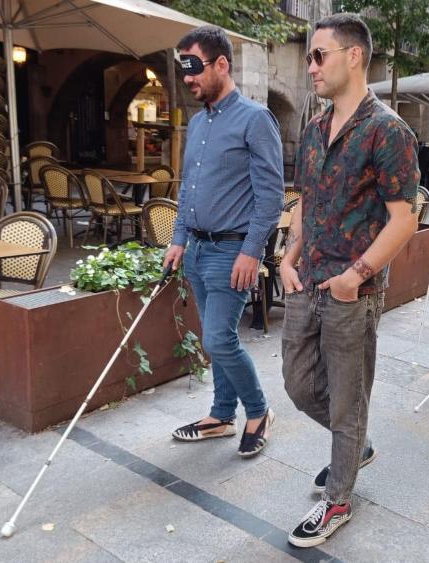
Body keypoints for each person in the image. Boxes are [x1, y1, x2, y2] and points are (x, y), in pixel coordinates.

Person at [279, 13, 419, 548]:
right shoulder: (315, 128)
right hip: (305, 280)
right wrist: (288, 258)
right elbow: (306, 201)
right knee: (298, 386)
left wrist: (355, 276)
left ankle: (338, 499)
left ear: (354, 56)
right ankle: (354, 444)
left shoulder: (389, 131)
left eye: (319, 55)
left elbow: (405, 218)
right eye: (309, 57)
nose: (311, 66)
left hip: (351, 293)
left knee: (346, 399)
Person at [164, 26, 284, 457]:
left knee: (217, 340)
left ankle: (259, 411)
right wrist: (178, 239)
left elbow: (271, 196)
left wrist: (252, 252)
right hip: (196, 251)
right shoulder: (197, 122)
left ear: (221, 64)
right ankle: (220, 415)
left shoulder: (255, 119)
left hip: (232, 251)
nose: (188, 78)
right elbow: (188, 189)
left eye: (194, 67)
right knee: (216, 336)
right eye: (183, 69)